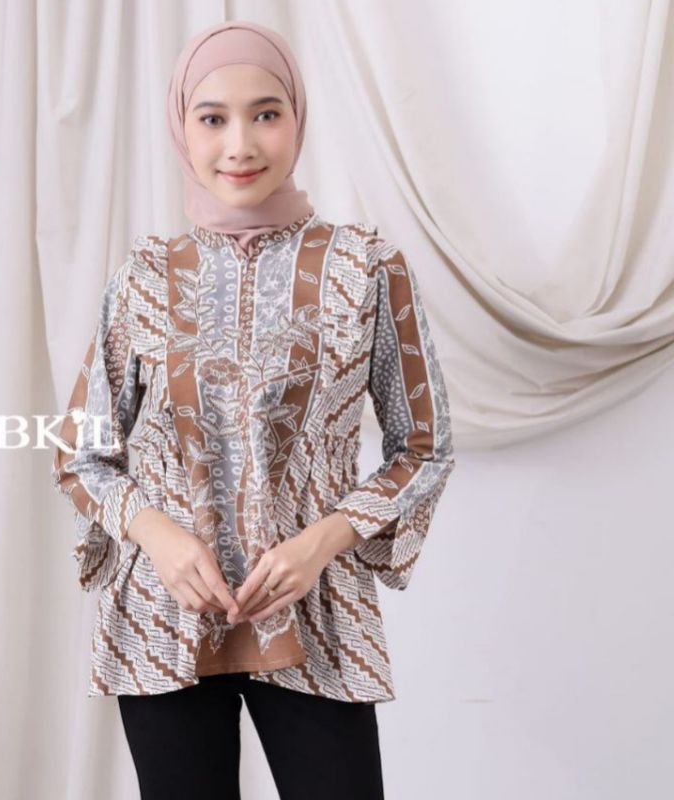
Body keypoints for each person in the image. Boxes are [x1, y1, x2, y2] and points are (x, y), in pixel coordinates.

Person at [51, 19, 456, 800]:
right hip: (163, 617)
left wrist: (320, 544)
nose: (240, 144)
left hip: (318, 614)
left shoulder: (366, 267)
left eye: (266, 113)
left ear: (298, 117)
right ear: (183, 128)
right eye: (213, 118)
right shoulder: (143, 277)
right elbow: (82, 451)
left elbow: (423, 447)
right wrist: (160, 536)